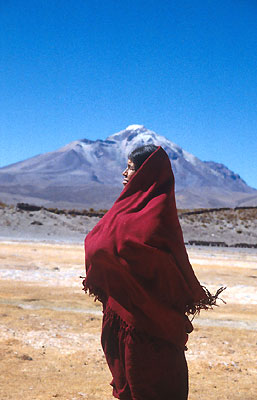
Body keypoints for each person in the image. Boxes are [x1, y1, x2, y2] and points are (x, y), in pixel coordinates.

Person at [82, 145, 224, 400]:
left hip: (149, 326)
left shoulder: (157, 215)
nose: (124, 173)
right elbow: (100, 243)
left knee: (150, 386)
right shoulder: (124, 207)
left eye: (131, 168)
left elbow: (167, 266)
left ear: (147, 174)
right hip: (122, 318)